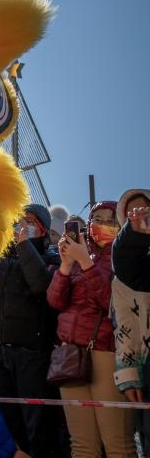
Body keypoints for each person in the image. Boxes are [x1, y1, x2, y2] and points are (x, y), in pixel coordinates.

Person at [48, 201, 134, 458]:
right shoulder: (78, 255)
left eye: (110, 219)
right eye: (97, 218)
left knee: (118, 444)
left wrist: (85, 263)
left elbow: (111, 303)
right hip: (70, 356)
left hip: (106, 353)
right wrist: (65, 265)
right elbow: (55, 301)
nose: (102, 224)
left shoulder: (127, 256)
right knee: (82, 445)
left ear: (121, 224)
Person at [0, 204, 64, 457]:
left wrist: (24, 244)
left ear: (44, 231)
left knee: (37, 424)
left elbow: (41, 286)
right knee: (5, 423)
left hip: (31, 352)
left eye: (31, 222)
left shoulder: (51, 257)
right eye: (20, 220)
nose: (23, 225)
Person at [109, 189, 150, 452]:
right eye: (132, 213)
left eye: (146, 210)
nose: (140, 215)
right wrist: (129, 377)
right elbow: (124, 327)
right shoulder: (129, 273)